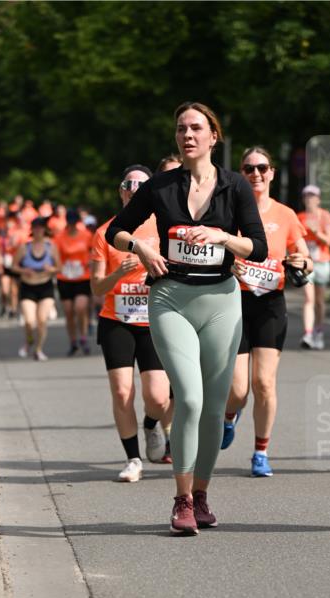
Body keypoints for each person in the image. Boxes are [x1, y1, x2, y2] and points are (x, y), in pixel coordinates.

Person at [106, 101, 267, 535]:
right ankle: (179, 500)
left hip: (220, 301)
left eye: (197, 128)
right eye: (181, 129)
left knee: (214, 408)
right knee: (190, 400)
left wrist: (222, 237)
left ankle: (200, 495)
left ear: (214, 136)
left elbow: (259, 247)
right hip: (171, 299)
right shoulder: (159, 186)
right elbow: (115, 230)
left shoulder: (234, 187)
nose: (188, 135)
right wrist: (140, 247)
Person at [222, 145, 312, 476]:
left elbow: (304, 255)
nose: (256, 174)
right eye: (249, 169)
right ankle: (229, 416)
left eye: (262, 168)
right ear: (241, 175)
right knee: (238, 390)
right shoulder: (231, 212)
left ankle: (261, 452)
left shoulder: (285, 215)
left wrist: (303, 262)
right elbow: (217, 250)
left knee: (264, 383)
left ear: (272, 172)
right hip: (235, 302)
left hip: (270, 304)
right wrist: (231, 266)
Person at [91, 165, 173, 481]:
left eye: (142, 185)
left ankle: (152, 423)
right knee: (123, 391)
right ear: (121, 189)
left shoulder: (163, 226)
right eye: (128, 184)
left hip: (155, 320)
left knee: (158, 396)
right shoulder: (105, 233)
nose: (134, 190)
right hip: (117, 321)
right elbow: (96, 288)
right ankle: (133, 459)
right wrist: (118, 274)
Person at [12, 217, 59, 361]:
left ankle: (38, 350)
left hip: (45, 286)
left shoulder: (51, 247)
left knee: (42, 320)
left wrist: (50, 269)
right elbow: (14, 266)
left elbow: (59, 267)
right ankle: (29, 339)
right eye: (35, 227)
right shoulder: (24, 247)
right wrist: (23, 270)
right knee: (28, 321)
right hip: (28, 287)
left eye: (41, 227)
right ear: (31, 229)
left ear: (45, 230)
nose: (38, 230)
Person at [298, 185, 330, 349]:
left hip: (322, 262)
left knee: (319, 301)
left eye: (313, 196)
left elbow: (329, 241)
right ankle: (308, 333)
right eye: (307, 196)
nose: (310, 199)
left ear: (318, 199)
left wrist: (316, 232)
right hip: (306, 263)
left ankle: (318, 332)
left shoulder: (325, 216)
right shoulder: (299, 217)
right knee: (308, 299)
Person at [55, 208, 93, 356]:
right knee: (69, 311)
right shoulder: (59, 238)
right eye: (69, 223)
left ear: (77, 223)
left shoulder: (86, 235)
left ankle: (83, 336)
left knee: (80, 307)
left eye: (74, 223)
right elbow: (55, 254)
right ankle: (73, 340)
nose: (71, 225)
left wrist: (90, 261)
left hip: (82, 277)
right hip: (64, 278)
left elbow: (93, 251)